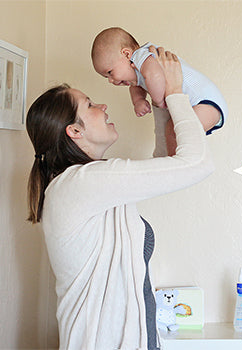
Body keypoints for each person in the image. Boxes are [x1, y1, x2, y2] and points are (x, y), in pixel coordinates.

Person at [26, 47, 214, 350]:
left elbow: (164, 162)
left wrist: (160, 100)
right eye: (90, 105)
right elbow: (197, 164)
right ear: (74, 130)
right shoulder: (83, 184)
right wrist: (177, 92)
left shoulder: (91, 183)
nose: (102, 105)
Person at [91, 27, 228, 156]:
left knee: (174, 130)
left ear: (127, 54)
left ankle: (175, 163)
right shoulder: (138, 73)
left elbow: (154, 76)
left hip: (207, 103)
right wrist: (138, 101)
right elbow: (136, 86)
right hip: (202, 106)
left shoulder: (141, 56)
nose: (110, 80)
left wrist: (158, 100)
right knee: (174, 132)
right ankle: (174, 160)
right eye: (106, 77)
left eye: (110, 72)